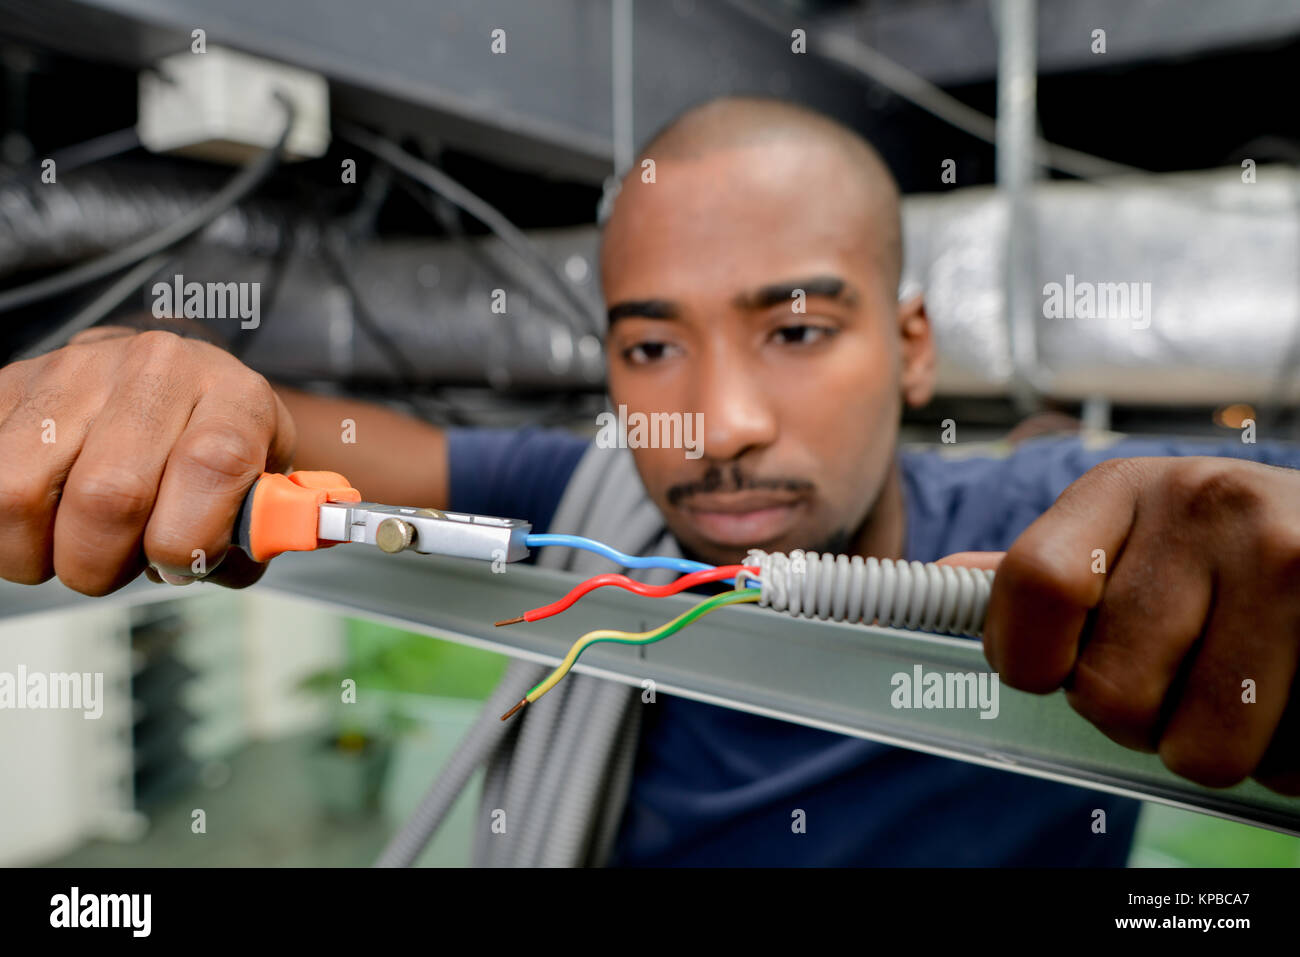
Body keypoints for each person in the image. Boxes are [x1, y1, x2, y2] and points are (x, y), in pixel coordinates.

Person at [2, 96, 1297, 866]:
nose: (712, 427)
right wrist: (162, 384)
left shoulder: (1069, 546)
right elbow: (289, 440)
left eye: (794, 330)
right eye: (652, 345)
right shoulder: (580, 500)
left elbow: (1241, 538)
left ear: (910, 350)